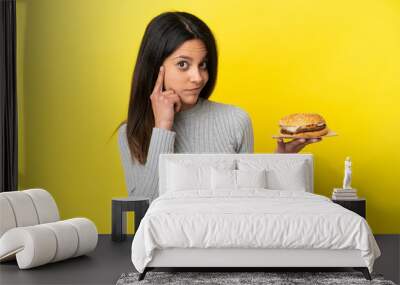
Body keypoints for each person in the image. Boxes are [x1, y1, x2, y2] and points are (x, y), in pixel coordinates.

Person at [117, 11, 321, 201]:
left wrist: (280, 162)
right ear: (155, 68)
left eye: (203, 64)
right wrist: (163, 126)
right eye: (183, 65)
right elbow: (146, 208)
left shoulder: (235, 120)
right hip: (167, 240)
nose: (198, 78)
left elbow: (247, 200)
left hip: (229, 237)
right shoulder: (132, 132)